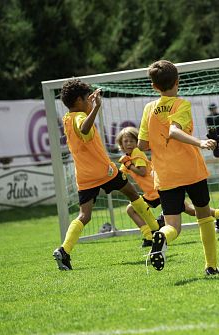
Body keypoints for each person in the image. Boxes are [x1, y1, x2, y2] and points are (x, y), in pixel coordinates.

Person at [138, 60, 219, 275]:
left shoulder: (148, 109)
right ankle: (211, 267)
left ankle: (163, 236)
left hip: (165, 175)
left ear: (154, 87)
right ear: (178, 82)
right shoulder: (181, 104)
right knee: (204, 217)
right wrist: (200, 142)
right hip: (191, 171)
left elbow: (142, 145)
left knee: (173, 226)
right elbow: (174, 131)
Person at [53, 79, 159, 271]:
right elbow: (84, 127)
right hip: (105, 171)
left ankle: (64, 250)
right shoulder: (79, 118)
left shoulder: (67, 119)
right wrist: (96, 108)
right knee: (133, 195)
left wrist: (90, 104)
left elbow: (81, 126)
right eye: (87, 99)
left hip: (84, 176)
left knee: (84, 215)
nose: (89, 102)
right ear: (78, 100)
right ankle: (155, 233)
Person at [116, 126, 219, 247]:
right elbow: (121, 175)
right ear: (121, 144)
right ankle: (149, 235)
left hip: (158, 189)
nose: (129, 144)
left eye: (132, 141)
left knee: (192, 211)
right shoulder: (128, 157)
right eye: (125, 141)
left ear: (137, 141)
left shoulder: (136, 153)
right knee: (131, 209)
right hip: (151, 193)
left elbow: (142, 172)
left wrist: (128, 165)